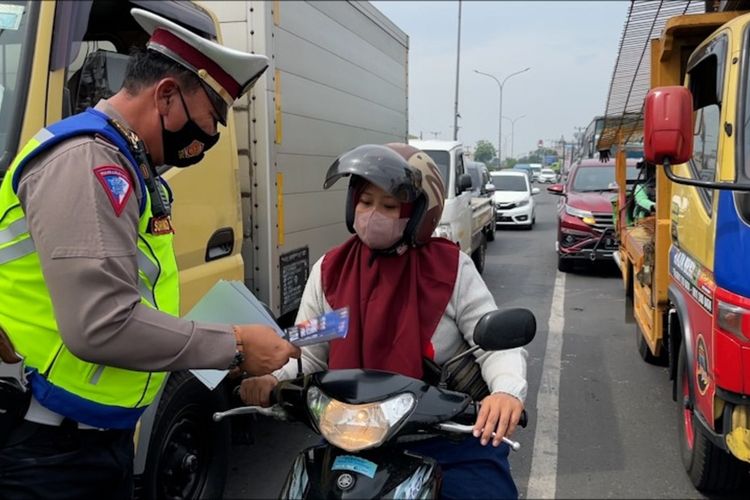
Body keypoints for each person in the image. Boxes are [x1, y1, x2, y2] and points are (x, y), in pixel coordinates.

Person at [0, 8, 300, 498]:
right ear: (166, 97)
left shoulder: (126, 163)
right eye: (211, 118)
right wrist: (236, 344)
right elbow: (103, 323)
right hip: (46, 449)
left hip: (87, 442)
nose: (211, 138)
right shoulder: (88, 162)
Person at [240, 143, 528, 499]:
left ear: (421, 215)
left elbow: (495, 344)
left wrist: (505, 392)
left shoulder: (451, 271)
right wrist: (270, 378)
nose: (373, 214)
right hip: (352, 438)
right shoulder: (330, 271)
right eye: (365, 201)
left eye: (390, 206)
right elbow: (305, 352)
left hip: (444, 437)